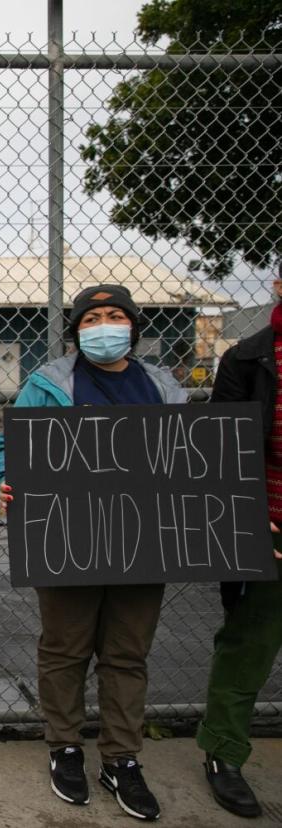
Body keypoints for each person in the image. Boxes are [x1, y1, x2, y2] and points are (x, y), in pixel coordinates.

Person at [0, 284, 184, 822]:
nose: (104, 324)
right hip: (67, 539)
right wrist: (7, 481)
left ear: (133, 325)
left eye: (115, 315)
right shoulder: (49, 383)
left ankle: (121, 758)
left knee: (127, 653)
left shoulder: (163, 386)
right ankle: (65, 747)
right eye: (92, 317)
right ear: (76, 329)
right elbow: (13, 446)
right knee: (65, 648)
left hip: (147, 541)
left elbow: (193, 458)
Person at [194, 277, 282, 820]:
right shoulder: (247, 359)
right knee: (248, 644)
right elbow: (223, 452)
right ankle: (223, 753)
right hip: (269, 529)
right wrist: (249, 525)